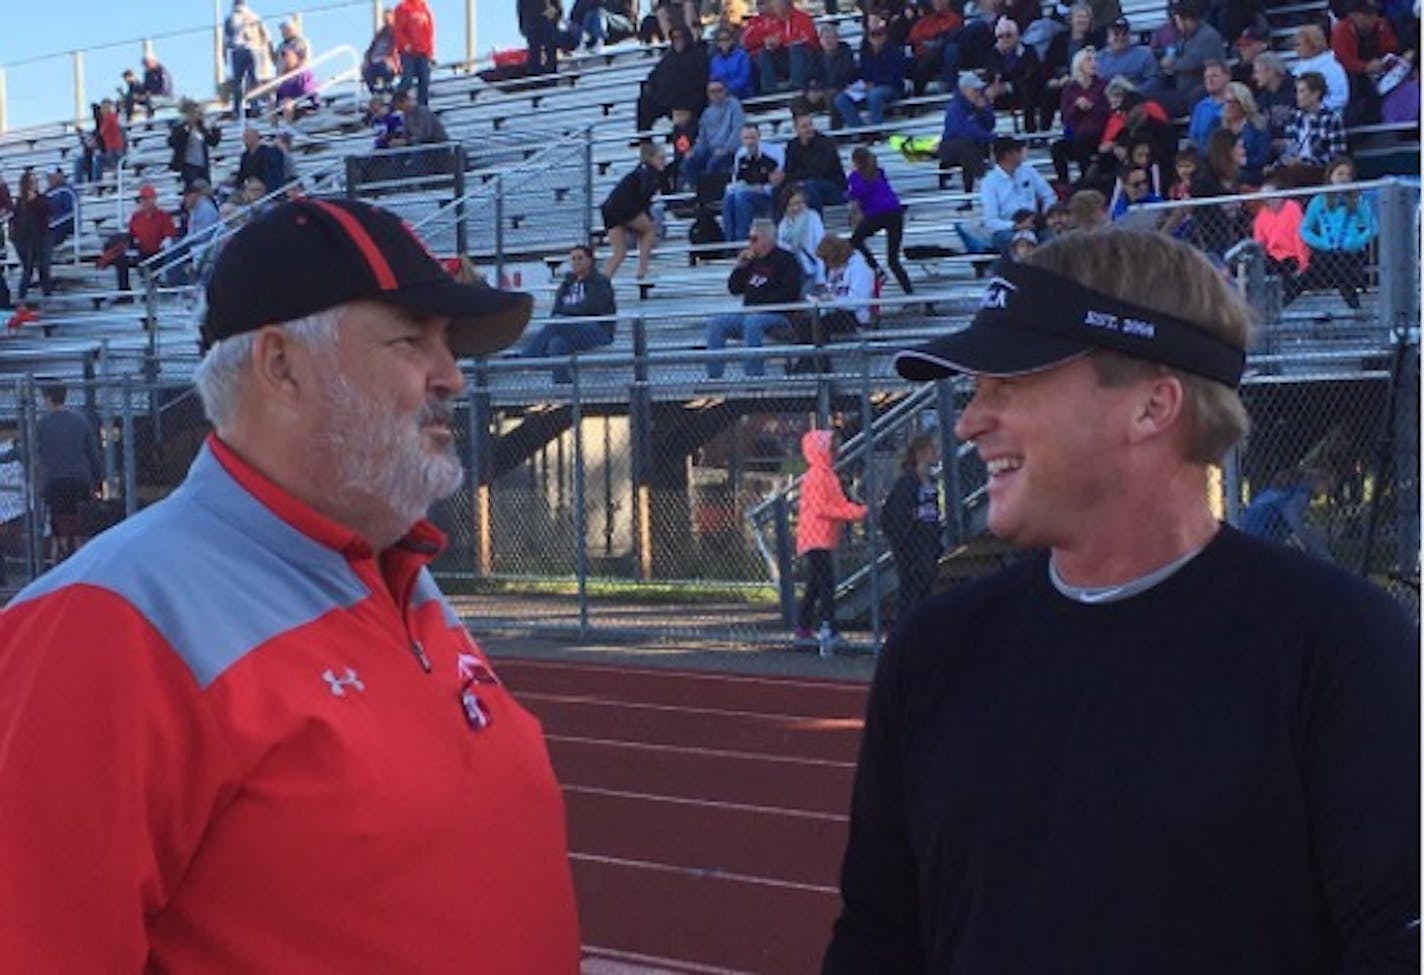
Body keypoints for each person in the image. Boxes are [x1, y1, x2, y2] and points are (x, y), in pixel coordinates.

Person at [0, 197, 582, 971]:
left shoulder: (393, 567)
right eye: (412, 339)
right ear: (280, 366)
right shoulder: (104, 622)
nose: (453, 378)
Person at [825, 227, 1419, 973]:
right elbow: (879, 935)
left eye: (1009, 383)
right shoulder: (935, 649)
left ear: (1152, 406)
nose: (971, 420)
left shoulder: (1337, 643)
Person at [704, 218, 803, 379]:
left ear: (767, 239)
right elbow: (734, 289)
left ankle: (754, 377)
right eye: (749, 239)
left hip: (780, 316)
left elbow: (789, 293)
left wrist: (760, 307)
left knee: (753, 322)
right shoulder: (751, 261)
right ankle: (714, 377)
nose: (750, 243)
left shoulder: (786, 260)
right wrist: (739, 267)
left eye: (754, 239)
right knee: (717, 323)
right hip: (752, 313)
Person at [794, 429, 866, 645]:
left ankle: (804, 626)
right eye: (831, 448)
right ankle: (828, 627)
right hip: (816, 537)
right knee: (826, 583)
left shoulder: (827, 474)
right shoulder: (817, 476)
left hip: (822, 536)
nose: (836, 451)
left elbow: (836, 504)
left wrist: (855, 510)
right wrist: (855, 512)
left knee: (816, 584)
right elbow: (822, 508)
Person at [517, 244, 616, 383]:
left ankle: (526, 359)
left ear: (590, 260)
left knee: (558, 321)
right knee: (556, 343)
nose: (576, 262)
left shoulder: (600, 282)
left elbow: (591, 307)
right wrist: (565, 315)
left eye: (580, 258)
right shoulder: (566, 284)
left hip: (598, 330)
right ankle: (563, 387)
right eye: (573, 259)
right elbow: (556, 310)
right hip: (568, 328)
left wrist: (566, 314)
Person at [33, 383, 102, 563]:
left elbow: (35, 454)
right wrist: (98, 481)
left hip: (54, 481)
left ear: (48, 399)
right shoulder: (80, 421)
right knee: (78, 526)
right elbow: (92, 453)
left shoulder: (42, 424)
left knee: (59, 527)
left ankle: (59, 560)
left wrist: (38, 481)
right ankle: (81, 561)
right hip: (79, 479)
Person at [1298, 155, 1376, 309]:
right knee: (1309, 274)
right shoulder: (1318, 200)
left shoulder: (1358, 201)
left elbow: (1372, 226)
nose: (1344, 178)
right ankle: (1282, 306)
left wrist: (1356, 242)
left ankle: (1355, 309)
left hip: (1351, 253)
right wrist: (1322, 243)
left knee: (1343, 268)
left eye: (1348, 175)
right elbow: (1304, 229)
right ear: (1330, 176)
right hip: (1327, 252)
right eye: (1340, 174)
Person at [881, 432, 942, 623]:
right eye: (932, 449)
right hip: (912, 541)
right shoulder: (907, 481)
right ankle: (905, 626)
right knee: (910, 587)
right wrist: (904, 536)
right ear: (921, 453)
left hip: (928, 538)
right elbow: (896, 513)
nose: (936, 453)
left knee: (926, 583)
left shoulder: (931, 480)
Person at [846, 146, 913, 296]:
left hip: (877, 214)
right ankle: (909, 292)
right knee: (893, 259)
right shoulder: (879, 172)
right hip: (895, 212)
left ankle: (876, 269)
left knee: (855, 241)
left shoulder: (856, 177)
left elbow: (857, 195)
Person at [980, 135, 1059, 253]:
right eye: (1019, 151)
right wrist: (1015, 226)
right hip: (1008, 229)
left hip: (1033, 223)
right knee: (1015, 242)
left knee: (1053, 238)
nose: (1023, 153)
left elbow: (1048, 195)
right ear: (1008, 155)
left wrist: (1044, 215)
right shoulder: (989, 182)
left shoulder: (1028, 171)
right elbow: (990, 220)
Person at [600, 141, 664, 280]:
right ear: (650, 158)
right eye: (661, 158)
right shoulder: (648, 171)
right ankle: (642, 271)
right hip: (625, 207)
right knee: (649, 230)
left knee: (619, 252)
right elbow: (645, 193)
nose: (663, 162)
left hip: (609, 208)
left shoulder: (638, 171)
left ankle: (603, 282)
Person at [1331, 0, 1401, 124]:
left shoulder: (1381, 25)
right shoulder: (1341, 30)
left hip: (1381, 68)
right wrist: (1365, 67)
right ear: (1354, 15)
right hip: (1353, 74)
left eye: (1372, 14)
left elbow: (1391, 47)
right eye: (1365, 14)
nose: (1371, 18)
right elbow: (1344, 60)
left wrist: (1385, 61)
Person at [1276, 71, 1347, 187]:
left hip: (1319, 171)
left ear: (1315, 94)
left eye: (1302, 91)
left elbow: (1336, 157)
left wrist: (1305, 162)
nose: (1297, 96)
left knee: (1294, 173)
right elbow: (1289, 149)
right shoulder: (1293, 117)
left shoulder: (1332, 119)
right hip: (1293, 168)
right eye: (1297, 91)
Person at [1052, 47, 1110, 185]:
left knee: (1082, 139)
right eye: (1088, 60)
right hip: (1078, 135)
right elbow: (1065, 118)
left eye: (1094, 60)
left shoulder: (1104, 85)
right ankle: (1064, 184)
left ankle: (1087, 180)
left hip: (1099, 136)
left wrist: (1092, 107)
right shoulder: (1070, 89)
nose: (1093, 63)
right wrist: (1076, 107)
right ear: (1079, 65)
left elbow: (1109, 111)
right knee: (1057, 147)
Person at [835, 19, 906, 131]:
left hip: (891, 88)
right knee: (841, 99)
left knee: (874, 94)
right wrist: (850, 82)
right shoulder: (865, 53)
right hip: (867, 87)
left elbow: (896, 76)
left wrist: (875, 84)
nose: (876, 38)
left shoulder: (894, 51)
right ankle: (859, 131)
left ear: (885, 36)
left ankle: (877, 130)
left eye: (879, 35)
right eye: (872, 35)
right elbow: (861, 73)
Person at [635, 26, 709, 132]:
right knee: (644, 102)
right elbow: (655, 75)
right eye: (674, 38)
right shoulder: (670, 56)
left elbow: (700, 81)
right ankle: (644, 139)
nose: (677, 41)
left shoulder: (698, 55)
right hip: (667, 100)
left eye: (680, 37)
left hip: (689, 102)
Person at [722, 123, 783, 243]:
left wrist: (760, 188)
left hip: (768, 196)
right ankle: (729, 242)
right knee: (729, 197)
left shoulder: (773, 152)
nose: (750, 142)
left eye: (752, 137)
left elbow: (777, 182)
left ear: (759, 136)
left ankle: (743, 241)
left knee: (741, 196)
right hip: (747, 191)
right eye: (746, 138)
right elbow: (737, 180)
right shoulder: (740, 154)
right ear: (741, 140)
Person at [1251, 179, 1310, 304]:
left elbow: (1300, 236)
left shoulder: (1292, 208)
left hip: (1292, 255)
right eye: (1265, 197)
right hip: (1273, 257)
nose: (1269, 200)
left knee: (1289, 271)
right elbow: (1259, 242)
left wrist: (1303, 263)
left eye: (1272, 195)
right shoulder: (1262, 215)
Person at [939, 71, 998, 195]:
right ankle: (983, 179)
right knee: (966, 145)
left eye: (978, 89)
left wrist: (983, 110)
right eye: (974, 90)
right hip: (951, 146)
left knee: (971, 148)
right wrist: (990, 137)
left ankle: (980, 183)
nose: (977, 93)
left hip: (972, 147)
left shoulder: (979, 103)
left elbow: (990, 125)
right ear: (964, 90)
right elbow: (964, 131)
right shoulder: (955, 107)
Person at [983, 17, 1046, 132]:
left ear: (1017, 35)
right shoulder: (993, 54)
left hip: (1028, 91)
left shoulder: (1028, 51)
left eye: (1008, 35)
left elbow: (1031, 75)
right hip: (1003, 95)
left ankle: (1030, 131)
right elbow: (991, 74)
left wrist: (1009, 86)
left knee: (1027, 90)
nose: (1004, 39)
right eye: (1000, 36)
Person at [679, 81, 744, 191]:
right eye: (712, 92)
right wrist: (693, 151)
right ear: (708, 95)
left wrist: (726, 149)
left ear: (726, 91)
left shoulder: (734, 106)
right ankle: (693, 192)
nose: (716, 94)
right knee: (689, 163)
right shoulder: (706, 113)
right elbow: (702, 139)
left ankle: (710, 194)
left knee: (714, 164)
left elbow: (738, 130)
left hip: (730, 151)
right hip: (710, 151)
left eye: (719, 91)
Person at [782, 112, 846, 213]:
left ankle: (816, 226)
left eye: (811, 124)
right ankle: (782, 226)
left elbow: (820, 172)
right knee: (779, 189)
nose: (809, 129)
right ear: (796, 130)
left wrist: (799, 178)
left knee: (809, 185)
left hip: (833, 188)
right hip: (804, 186)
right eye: (804, 126)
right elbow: (788, 171)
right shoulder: (792, 145)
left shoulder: (826, 143)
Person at [756, 0, 820, 93]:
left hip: (807, 59)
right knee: (764, 53)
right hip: (787, 58)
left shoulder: (802, 18)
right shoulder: (774, 22)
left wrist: (782, 42)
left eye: (776, 4)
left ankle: (797, 85)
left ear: (786, 4)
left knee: (796, 48)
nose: (774, 8)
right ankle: (769, 88)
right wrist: (770, 44)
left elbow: (807, 39)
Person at [11, 172, 52, 306]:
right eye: (32, 181)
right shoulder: (20, 202)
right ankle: (21, 299)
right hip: (26, 239)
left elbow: (48, 211)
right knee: (27, 270)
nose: (35, 184)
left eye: (35, 181)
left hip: (42, 237)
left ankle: (47, 297)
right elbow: (16, 220)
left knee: (44, 269)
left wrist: (35, 201)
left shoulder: (41, 198)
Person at [225, 0, 272, 118]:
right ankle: (241, 108)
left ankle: (251, 107)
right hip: (241, 50)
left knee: (250, 79)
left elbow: (265, 35)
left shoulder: (252, 16)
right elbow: (226, 38)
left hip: (250, 49)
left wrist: (261, 46)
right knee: (242, 81)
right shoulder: (231, 18)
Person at [906, 0, 963, 97]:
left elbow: (947, 34)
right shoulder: (923, 22)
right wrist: (930, 38)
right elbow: (914, 38)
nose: (939, 2)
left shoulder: (953, 18)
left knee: (947, 49)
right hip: (922, 54)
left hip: (942, 55)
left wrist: (928, 38)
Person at [1293, 24, 1351, 115]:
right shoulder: (1298, 68)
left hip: (1329, 117)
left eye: (1299, 45)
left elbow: (1340, 97)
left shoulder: (1332, 67)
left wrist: (1318, 108)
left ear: (1313, 44)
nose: (1295, 49)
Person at [167, 99, 223, 190]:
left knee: (206, 190)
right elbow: (173, 142)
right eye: (192, 113)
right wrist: (188, 127)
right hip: (188, 166)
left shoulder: (201, 127)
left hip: (203, 165)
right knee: (192, 190)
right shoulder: (180, 127)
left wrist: (215, 129)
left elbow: (213, 142)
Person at [777, 186, 826, 288]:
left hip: (810, 271)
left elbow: (820, 246)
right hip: (792, 274)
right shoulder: (783, 225)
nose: (796, 208)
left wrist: (820, 279)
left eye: (799, 203)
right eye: (791, 205)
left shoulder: (813, 218)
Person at [1097, 15, 1160, 93]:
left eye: (1124, 33)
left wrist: (1134, 91)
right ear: (1108, 36)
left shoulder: (1144, 54)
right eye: (1116, 34)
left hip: (1137, 99)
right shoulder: (1098, 58)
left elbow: (1154, 82)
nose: (1121, 37)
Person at [394, 0, 436, 106]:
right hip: (408, 52)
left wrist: (430, 53)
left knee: (425, 80)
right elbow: (398, 29)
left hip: (423, 52)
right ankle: (395, 104)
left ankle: (423, 108)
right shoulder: (403, 7)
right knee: (407, 80)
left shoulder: (425, 9)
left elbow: (429, 33)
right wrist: (405, 44)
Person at [1186, 59, 1230, 149]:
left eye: (1214, 76)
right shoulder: (1200, 107)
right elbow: (1193, 138)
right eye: (1206, 77)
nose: (1209, 81)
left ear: (1227, 77)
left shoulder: (1235, 103)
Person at [709, 27, 754, 100]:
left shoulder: (742, 55)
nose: (724, 42)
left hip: (741, 92)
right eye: (721, 40)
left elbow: (744, 78)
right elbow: (714, 78)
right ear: (717, 43)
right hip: (721, 93)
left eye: (727, 39)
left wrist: (727, 89)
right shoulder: (715, 60)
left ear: (732, 40)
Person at [364, 8, 401, 92]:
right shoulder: (380, 34)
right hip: (375, 60)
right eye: (385, 19)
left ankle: (387, 86)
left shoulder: (397, 31)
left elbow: (397, 49)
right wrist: (367, 58)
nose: (386, 21)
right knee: (366, 69)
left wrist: (391, 60)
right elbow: (371, 48)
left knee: (384, 65)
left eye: (388, 18)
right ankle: (374, 91)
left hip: (389, 61)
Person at [44, 169, 76, 251]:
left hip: (64, 224)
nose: (49, 179)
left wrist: (52, 222)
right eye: (48, 177)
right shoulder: (47, 192)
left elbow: (71, 212)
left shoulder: (67, 191)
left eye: (51, 176)